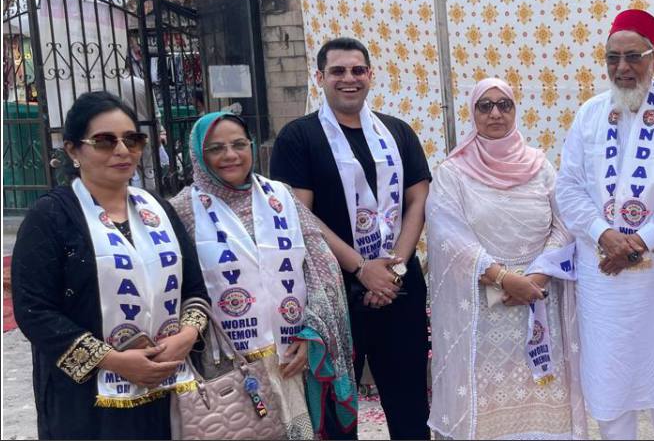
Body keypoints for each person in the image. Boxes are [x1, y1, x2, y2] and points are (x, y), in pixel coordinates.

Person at [11, 91, 209, 439]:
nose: (122, 150)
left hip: (167, 389)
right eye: (104, 141)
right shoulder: (51, 216)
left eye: (132, 140)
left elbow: (195, 290)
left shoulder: (157, 210)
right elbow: (34, 311)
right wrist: (113, 360)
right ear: (73, 150)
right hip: (88, 402)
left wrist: (187, 336)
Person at [555, 9, 654, 439]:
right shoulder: (589, 114)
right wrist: (604, 234)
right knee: (611, 390)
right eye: (612, 58)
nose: (622, 68)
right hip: (606, 283)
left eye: (633, 57)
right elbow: (567, 187)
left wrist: (641, 240)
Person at [270, 37, 432, 439]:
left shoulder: (398, 132)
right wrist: (361, 269)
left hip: (399, 289)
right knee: (336, 411)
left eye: (358, 70)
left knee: (411, 407)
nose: (349, 79)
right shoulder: (299, 137)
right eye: (338, 71)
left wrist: (392, 270)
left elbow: (418, 200)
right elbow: (299, 215)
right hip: (333, 293)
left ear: (370, 75)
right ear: (320, 77)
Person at [168, 111, 357, 438]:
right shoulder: (183, 209)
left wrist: (312, 333)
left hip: (294, 357)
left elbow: (321, 267)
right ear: (198, 155)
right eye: (216, 148)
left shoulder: (281, 196)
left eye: (239, 144)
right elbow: (179, 289)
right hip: (228, 367)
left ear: (251, 146)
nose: (230, 155)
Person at [427, 78, 589, 439]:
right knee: (487, 400)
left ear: (515, 111)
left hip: (539, 301)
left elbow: (565, 225)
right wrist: (504, 278)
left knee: (542, 393)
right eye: (485, 106)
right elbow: (448, 235)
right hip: (484, 312)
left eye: (504, 105)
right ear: (473, 113)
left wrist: (536, 278)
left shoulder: (540, 166)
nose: (495, 113)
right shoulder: (452, 173)